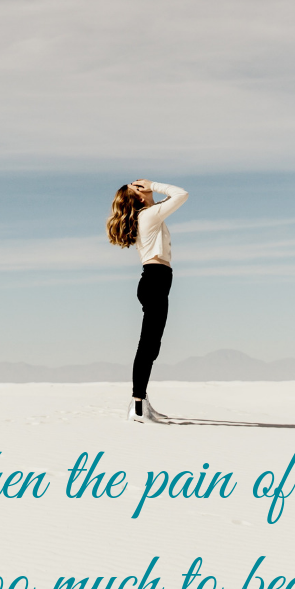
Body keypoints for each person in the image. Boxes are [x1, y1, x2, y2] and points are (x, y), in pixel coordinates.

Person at [106, 179, 189, 423]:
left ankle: (142, 402)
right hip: (155, 280)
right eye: (139, 188)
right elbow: (181, 194)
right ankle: (138, 407)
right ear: (140, 197)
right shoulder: (148, 215)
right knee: (147, 346)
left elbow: (170, 200)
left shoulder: (150, 214)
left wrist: (150, 192)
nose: (144, 187)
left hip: (156, 281)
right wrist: (153, 183)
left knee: (152, 347)